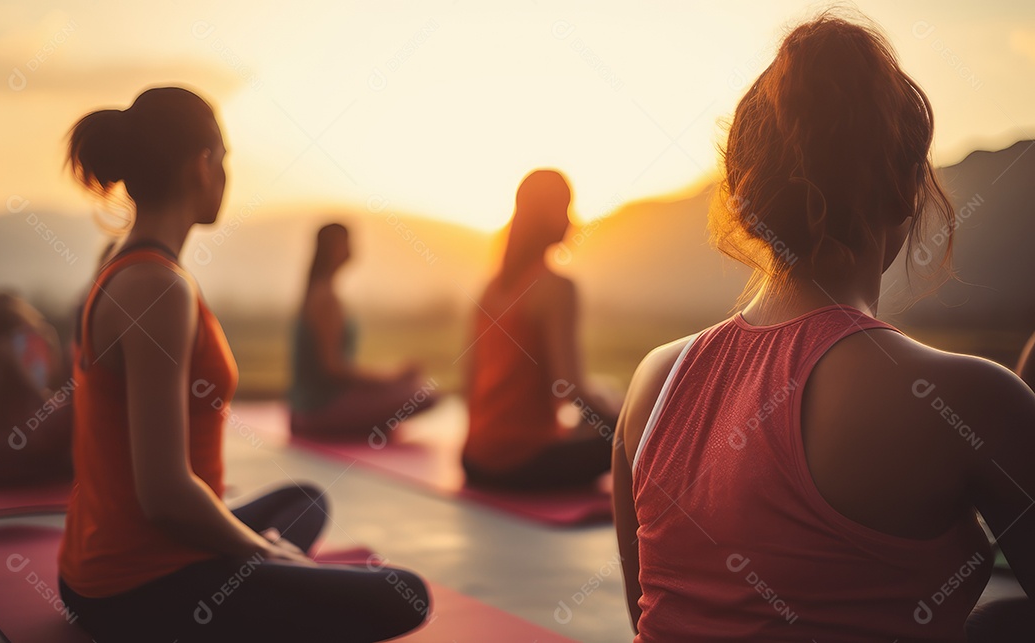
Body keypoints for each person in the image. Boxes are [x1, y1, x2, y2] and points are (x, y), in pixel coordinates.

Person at [613, 14, 1034, 641]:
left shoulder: (655, 379)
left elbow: (651, 612)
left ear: (741, 195)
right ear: (907, 192)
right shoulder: (974, 397)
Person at [58, 86, 429, 643]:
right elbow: (163, 495)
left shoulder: (133, 268)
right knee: (406, 594)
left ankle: (256, 572)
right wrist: (263, 548)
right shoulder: (157, 290)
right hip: (137, 589)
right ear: (202, 165)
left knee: (303, 499)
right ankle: (255, 577)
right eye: (225, 160)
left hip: (120, 563)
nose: (228, 175)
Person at [462, 169, 622, 491]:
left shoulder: (490, 288)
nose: (572, 220)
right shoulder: (557, 288)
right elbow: (570, 388)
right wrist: (625, 422)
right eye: (564, 208)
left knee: (606, 397)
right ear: (543, 214)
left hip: (474, 460)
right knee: (631, 436)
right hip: (522, 463)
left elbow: (470, 381)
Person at [288, 222, 437, 440]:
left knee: (409, 388)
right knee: (422, 393)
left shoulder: (319, 293)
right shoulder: (325, 299)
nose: (352, 248)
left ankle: (366, 420)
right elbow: (333, 369)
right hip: (316, 411)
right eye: (347, 242)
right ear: (334, 248)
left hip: (311, 408)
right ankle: (360, 424)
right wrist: (389, 379)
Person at [0, 292, 73, 487]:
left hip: (22, 431)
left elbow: (54, 383)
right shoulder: (4, 348)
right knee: (74, 413)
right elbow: (40, 392)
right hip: (13, 435)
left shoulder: (23, 344)